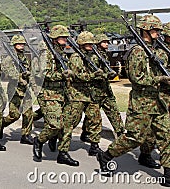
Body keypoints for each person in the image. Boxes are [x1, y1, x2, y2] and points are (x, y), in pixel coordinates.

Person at [97, 15, 170, 187]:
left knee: (166, 136)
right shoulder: (137, 51)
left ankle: (168, 173)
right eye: (155, 30)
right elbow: (136, 78)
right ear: (145, 30)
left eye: (159, 30)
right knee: (134, 138)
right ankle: (106, 156)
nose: (158, 33)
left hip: (159, 102)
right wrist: (160, 79)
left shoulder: (158, 51)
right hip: (142, 102)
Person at [56, 31, 104, 165]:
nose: (90, 45)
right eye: (88, 43)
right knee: (70, 123)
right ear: (82, 44)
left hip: (90, 94)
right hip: (76, 94)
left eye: (91, 43)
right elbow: (78, 76)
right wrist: (94, 76)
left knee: (95, 119)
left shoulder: (92, 56)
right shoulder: (76, 57)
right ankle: (63, 152)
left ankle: (94, 145)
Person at [33, 25, 73, 163]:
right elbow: (45, 74)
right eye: (62, 37)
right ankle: (39, 141)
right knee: (54, 125)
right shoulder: (46, 53)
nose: (65, 39)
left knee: (67, 124)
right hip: (48, 93)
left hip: (63, 92)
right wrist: (62, 75)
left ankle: (63, 153)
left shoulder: (60, 51)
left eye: (66, 37)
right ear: (55, 38)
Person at [2, 35, 33, 145]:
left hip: (25, 89)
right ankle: (0, 125)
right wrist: (20, 77)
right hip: (15, 90)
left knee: (28, 114)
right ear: (14, 45)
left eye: (23, 44)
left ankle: (25, 135)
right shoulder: (8, 58)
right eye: (19, 44)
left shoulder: (24, 57)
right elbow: (9, 73)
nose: (21, 45)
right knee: (14, 115)